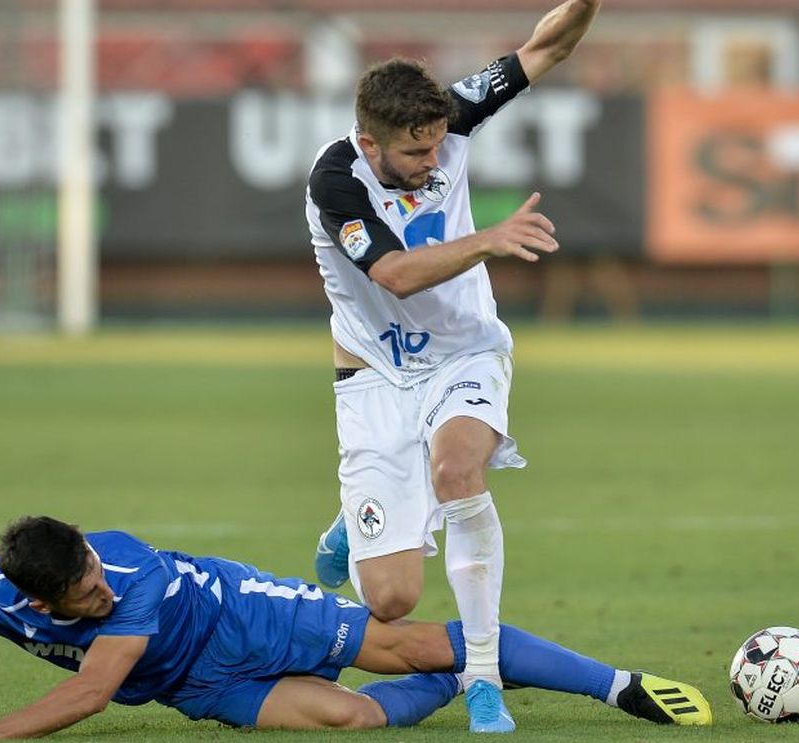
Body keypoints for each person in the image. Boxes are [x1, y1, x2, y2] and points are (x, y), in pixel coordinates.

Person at [304, 0, 602, 732]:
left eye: (439, 145)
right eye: (415, 153)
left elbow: (548, 47)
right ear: (371, 146)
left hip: (464, 352)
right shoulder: (336, 182)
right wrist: (489, 240)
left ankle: (480, 675)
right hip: (374, 378)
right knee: (392, 599)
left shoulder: (450, 115)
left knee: (457, 470)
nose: (432, 162)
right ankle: (360, 515)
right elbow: (397, 274)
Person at [0, 515, 711, 740]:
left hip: (244, 618)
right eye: (82, 588)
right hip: (193, 682)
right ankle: (470, 673)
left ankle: (611, 680)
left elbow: (91, 691)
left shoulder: (134, 575)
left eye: (93, 563)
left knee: (416, 638)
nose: (99, 581)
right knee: (355, 718)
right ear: (38, 604)